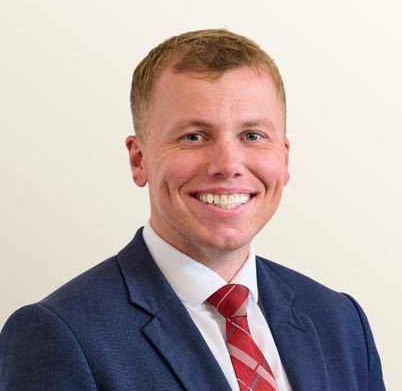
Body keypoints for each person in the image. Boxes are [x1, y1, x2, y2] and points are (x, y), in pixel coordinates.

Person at [0, 29, 385, 390]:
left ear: (284, 159)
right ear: (139, 160)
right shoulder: (58, 334)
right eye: (194, 136)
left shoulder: (340, 321)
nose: (228, 165)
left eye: (252, 135)